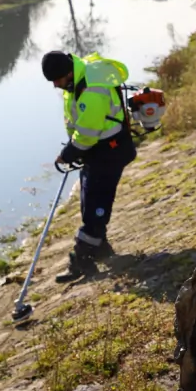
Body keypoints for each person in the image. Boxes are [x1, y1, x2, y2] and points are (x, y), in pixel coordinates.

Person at [41, 50, 137, 283]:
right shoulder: (77, 79)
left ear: (69, 72)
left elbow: (88, 132)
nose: (56, 85)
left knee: (95, 207)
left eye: (58, 80)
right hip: (98, 150)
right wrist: (76, 150)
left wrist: (69, 153)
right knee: (89, 199)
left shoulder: (92, 88)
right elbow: (81, 126)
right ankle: (101, 248)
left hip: (110, 150)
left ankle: (82, 262)